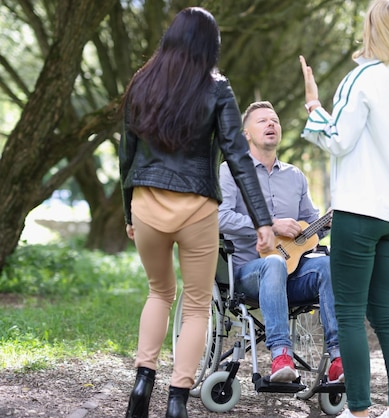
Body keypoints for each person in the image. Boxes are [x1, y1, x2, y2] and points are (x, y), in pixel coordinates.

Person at [119, 8, 274, 418]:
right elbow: (239, 158)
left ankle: (141, 383)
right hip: (197, 210)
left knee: (158, 292)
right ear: (210, 45)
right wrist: (263, 222)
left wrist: (129, 213)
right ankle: (176, 401)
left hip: (146, 203)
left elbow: (126, 154)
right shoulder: (217, 88)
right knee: (195, 304)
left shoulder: (141, 83)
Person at [298, 0, 389, 417]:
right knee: (386, 315)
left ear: (374, 30)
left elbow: (338, 139)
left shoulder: (363, 77)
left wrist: (314, 108)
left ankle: (360, 411)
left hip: (359, 214)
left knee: (350, 316)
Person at [218, 100, 344, 384]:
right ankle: (281, 356)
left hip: (292, 274)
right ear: (246, 134)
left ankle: (338, 359)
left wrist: (329, 222)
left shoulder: (295, 176)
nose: (271, 124)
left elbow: (310, 228)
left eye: (274, 120)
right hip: (247, 273)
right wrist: (269, 226)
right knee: (272, 262)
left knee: (328, 264)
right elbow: (219, 218)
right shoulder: (230, 171)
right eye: (262, 120)